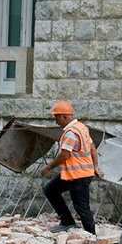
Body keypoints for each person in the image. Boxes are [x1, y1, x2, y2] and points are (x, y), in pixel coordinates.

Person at [40, 100, 103, 234]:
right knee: (50, 189)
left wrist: (48, 167)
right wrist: (95, 167)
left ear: (65, 116)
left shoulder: (71, 133)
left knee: (82, 208)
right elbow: (92, 148)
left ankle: (91, 235)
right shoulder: (81, 127)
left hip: (79, 176)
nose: (56, 121)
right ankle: (67, 221)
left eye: (57, 118)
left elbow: (64, 155)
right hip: (73, 175)